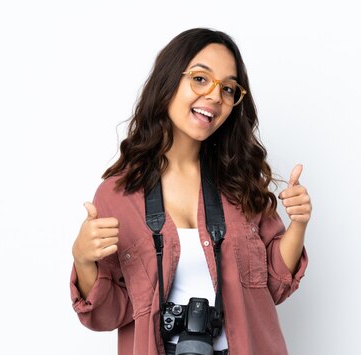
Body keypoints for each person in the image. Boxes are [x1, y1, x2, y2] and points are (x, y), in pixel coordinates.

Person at [70, 28, 312, 355]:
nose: (214, 96)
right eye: (201, 79)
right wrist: (83, 258)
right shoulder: (118, 195)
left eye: (228, 88)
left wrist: (298, 223)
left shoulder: (239, 181)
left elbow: (274, 285)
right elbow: (107, 313)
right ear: (169, 81)